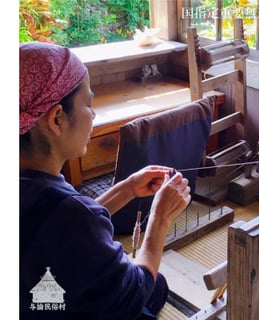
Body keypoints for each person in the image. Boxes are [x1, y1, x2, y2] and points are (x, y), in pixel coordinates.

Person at [19, 42, 191, 319]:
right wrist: (160, 218)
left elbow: (58, 227)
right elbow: (135, 291)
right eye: (88, 104)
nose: (94, 113)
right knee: (152, 286)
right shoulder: (72, 215)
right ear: (56, 120)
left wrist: (127, 188)